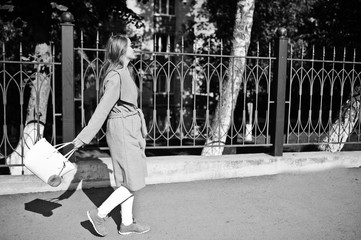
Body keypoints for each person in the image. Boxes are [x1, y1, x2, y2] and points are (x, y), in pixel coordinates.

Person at [72, 34, 150, 236]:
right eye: (131, 45)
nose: (134, 48)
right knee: (131, 180)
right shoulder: (116, 76)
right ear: (122, 50)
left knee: (129, 179)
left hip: (128, 129)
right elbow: (103, 109)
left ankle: (126, 223)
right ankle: (100, 214)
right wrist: (83, 137)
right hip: (123, 131)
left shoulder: (124, 71)